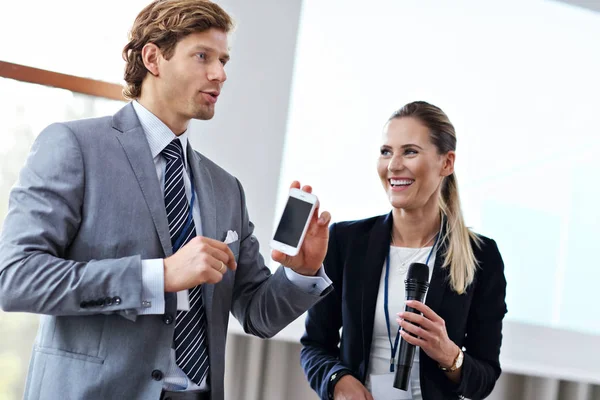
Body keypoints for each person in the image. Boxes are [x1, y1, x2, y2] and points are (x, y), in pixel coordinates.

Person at [0, 1, 333, 399]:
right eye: (202, 57)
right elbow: (16, 278)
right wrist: (158, 276)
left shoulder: (226, 187)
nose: (220, 74)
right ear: (153, 58)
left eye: (224, 60)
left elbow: (258, 315)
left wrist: (301, 272)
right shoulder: (74, 146)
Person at [300, 101, 507, 400]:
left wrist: (449, 354)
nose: (393, 165)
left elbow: (484, 379)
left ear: (446, 163)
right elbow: (315, 346)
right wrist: (338, 381)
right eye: (386, 151)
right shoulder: (346, 241)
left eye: (409, 151)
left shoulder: (481, 256)